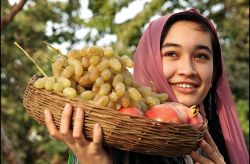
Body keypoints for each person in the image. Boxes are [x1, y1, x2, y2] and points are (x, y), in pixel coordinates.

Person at [44, 9, 249, 164]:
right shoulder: (112, 137)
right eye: (171, 54)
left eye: (201, 56)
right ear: (148, 62)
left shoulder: (221, 145)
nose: (188, 69)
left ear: (215, 72)